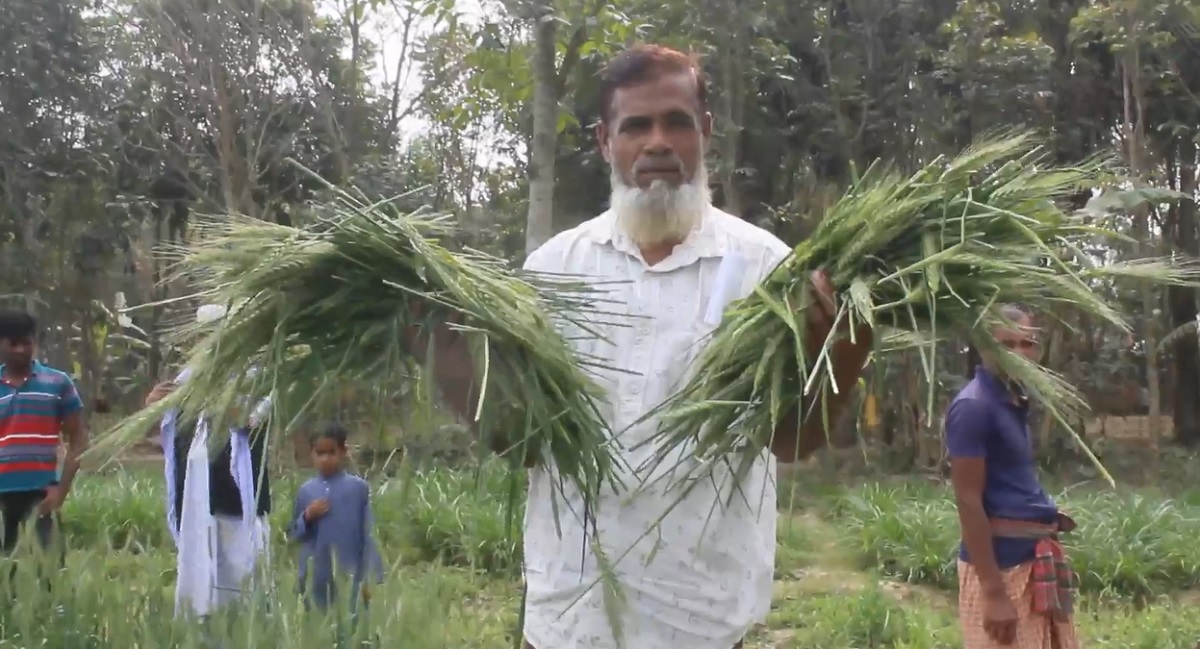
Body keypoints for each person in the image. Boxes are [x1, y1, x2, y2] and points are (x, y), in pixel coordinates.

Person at [412, 44, 873, 649]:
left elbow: (791, 440)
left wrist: (845, 350)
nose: (658, 142)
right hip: (571, 618)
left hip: (704, 619)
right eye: (637, 126)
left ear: (704, 131)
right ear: (606, 141)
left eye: (677, 122)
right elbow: (520, 440)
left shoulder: (767, 268)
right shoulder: (553, 271)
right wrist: (438, 344)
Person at [945, 304, 1079, 649]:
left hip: (1031, 558)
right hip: (1001, 570)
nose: (1020, 354)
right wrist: (994, 594)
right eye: (1008, 344)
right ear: (986, 347)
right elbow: (968, 499)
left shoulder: (1013, 401)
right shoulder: (974, 406)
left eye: (1027, 344)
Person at [144, 304, 273, 618]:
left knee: (243, 578)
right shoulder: (187, 378)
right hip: (200, 495)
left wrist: (219, 404)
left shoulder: (256, 377)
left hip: (239, 497)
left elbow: (252, 420)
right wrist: (153, 405)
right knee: (203, 576)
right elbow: (163, 430)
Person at [0, 310, 88, 564]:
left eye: (26, 342)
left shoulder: (57, 383)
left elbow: (79, 439)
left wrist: (60, 491)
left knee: (48, 575)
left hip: (41, 496)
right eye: (13, 343)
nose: (20, 350)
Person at [288, 422, 383, 617]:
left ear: (343, 451)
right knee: (317, 624)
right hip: (316, 575)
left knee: (350, 624)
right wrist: (307, 516)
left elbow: (368, 533)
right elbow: (294, 533)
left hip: (350, 573)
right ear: (311, 454)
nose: (325, 459)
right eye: (319, 453)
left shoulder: (358, 489)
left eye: (331, 452)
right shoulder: (306, 491)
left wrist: (372, 575)